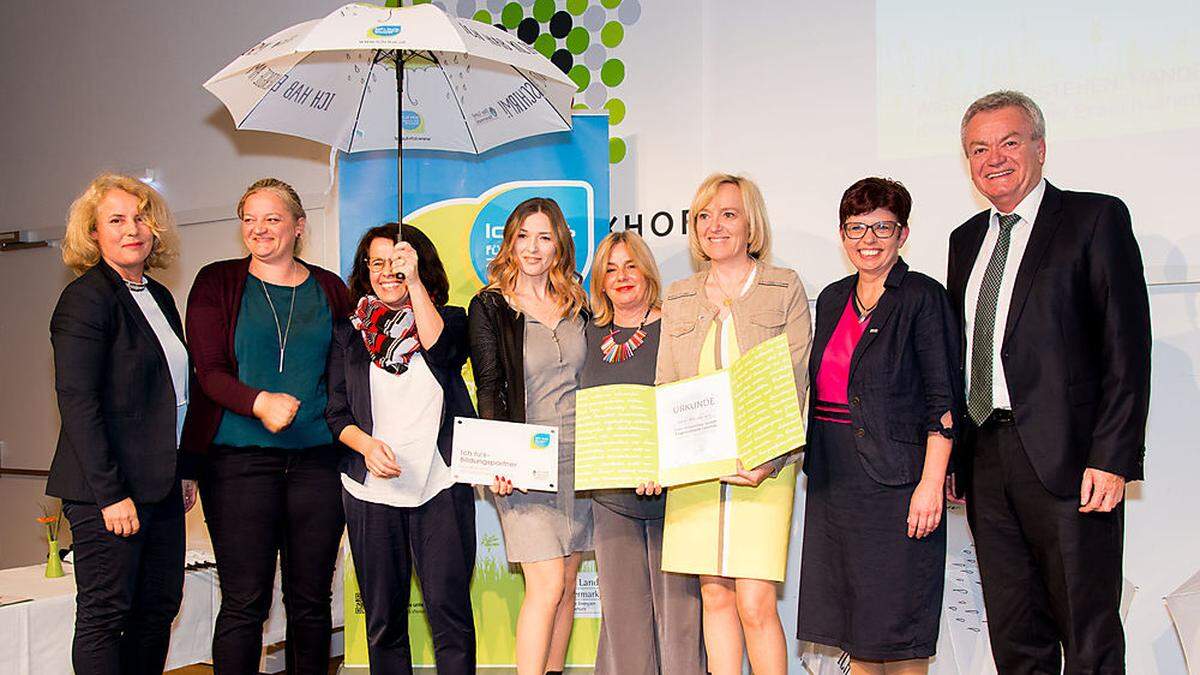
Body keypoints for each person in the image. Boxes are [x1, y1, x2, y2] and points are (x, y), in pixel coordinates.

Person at [947, 90, 1151, 674]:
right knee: (1016, 640)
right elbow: (967, 353)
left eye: (1009, 142)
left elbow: (1126, 348)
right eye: (978, 149)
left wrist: (1112, 457)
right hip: (987, 461)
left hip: (1071, 462)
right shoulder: (965, 240)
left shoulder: (1093, 218)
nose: (994, 158)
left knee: (1088, 639)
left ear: (1039, 147)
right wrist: (961, 459)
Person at [181, 178, 350, 674]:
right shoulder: (217, 282)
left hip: (318, 462)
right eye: (249, 219)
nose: (259, 230)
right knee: (244, 601)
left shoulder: (330, 289)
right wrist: (259, 402)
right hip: (237, 464)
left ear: (299, 227)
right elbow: (208, 373)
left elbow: (347, 377)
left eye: (272, 219)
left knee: (312, 601)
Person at [795, 178, 960, 674]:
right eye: (856, 228)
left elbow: (942, 400)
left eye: (882, 227)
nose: (868, 239)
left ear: (903, 233)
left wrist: (931, 485)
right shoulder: (830, 298)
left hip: (898, 484)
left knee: (901, 633)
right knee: (857, 630)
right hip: (836, 484)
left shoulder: (923, 297)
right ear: (842, 235)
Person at [656, 173, 812, 675]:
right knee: (715, 599)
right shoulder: (679, 295)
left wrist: (770, 459)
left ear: (751, 224)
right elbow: (666, 384)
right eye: (704, 215)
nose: (714, 225)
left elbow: (795, 379)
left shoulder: (783, 287)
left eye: (728, 214)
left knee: (755, 604)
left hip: (764, 464)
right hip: (697, 468)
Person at [47, 173, 195, 675]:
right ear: (93, 234)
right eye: (116, 220)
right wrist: (110, 494)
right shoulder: (87, 299)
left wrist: (186, 468)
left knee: (157, 610)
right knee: (106, 617)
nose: (132, 229)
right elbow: (78, 402)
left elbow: (174, 397)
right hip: (106, 493)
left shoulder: (157, 296)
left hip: (162, 484)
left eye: (140, 218)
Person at [326, 223, 476, 674]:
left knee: (450, 617)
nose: (387, 270)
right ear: (364, 271)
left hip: (440, 487)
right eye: (377, 262)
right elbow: (336, 413)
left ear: (419, 264)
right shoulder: (348, 333)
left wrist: (413, 285)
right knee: (383, 622)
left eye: (398, 260)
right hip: (370, 494)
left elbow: (444, 352)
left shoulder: (449, 318)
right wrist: (367, 446)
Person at [467, 197, 591, 675]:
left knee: (567, 578)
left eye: (544, 236)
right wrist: (498, 460)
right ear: (509, 241)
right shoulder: (491, 305)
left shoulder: (579, 303)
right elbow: (489, 384)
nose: (533, 247)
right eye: (523, 236)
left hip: (581, 461)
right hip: (524, 465)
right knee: (546, 584)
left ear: (559, 242)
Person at [581, 231, 705, 675]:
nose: (621, 277)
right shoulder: (588, 334)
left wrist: (664, 461)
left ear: (647, 271)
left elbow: (694, 402)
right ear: (599, 280)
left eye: (630, 265)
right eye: (610, 269)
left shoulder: (677, 326)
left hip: (674, 497)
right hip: (610, 500)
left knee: (681, 624)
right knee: (624, 622)